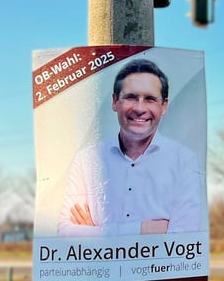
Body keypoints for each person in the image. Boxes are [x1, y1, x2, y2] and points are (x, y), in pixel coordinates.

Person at [57, 59, 204, 236]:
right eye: (131, 97)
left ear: (164, 106)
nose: (140, 108)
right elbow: (65, 232)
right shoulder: (86, 160)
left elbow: (184, 238)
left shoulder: (184, 160)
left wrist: (95, 233)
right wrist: (143, 229)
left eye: (150, 99)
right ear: (115, 101)